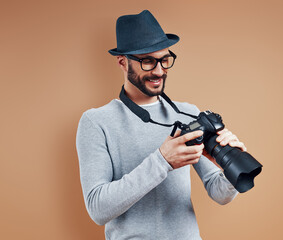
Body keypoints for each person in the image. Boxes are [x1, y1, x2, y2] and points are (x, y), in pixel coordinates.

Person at [76, 10, 247, 240]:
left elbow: (219, 193)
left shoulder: (189, 113)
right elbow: (98, 209)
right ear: (122, 62)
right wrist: (162, 161)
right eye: (147, 61)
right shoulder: (96, 122)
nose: (159, 71)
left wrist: (231, 167)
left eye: (164, 59)